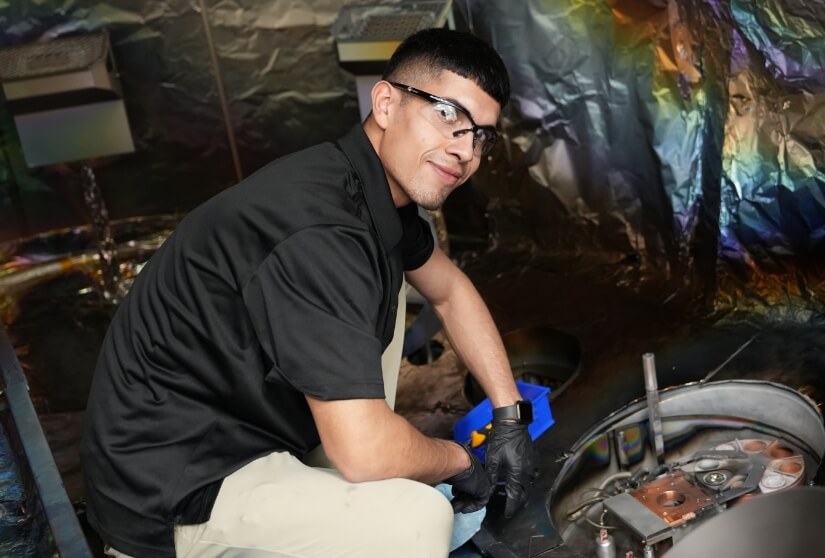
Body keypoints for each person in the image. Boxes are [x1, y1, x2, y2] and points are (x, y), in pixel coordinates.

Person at [81, 27, 536, 558]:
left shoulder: (371, 191)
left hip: (244, 430)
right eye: (447, 115)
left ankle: (340, 447)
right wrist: (460, 462)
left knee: (395, 287)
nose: (464, 150)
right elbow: (366, 454)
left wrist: (509, 415)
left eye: (481, 135)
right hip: (172, 487)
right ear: (386, 103)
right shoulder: (322, 232)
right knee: (416, 520)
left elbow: (451, 289)